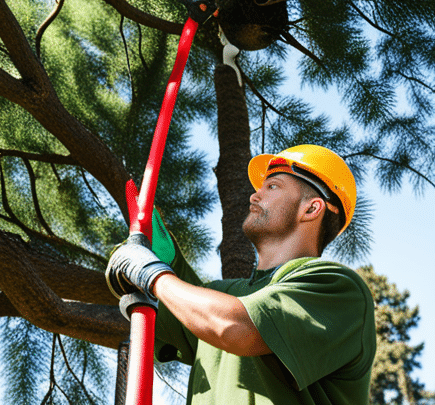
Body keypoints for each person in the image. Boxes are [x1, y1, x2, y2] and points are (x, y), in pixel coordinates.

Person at [106, 144, 376, 404]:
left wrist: (152, 274)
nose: (255, 195)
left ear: (311, 208)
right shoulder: (225, 294)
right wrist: (163, 260)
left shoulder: (336, 289)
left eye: (272, 186)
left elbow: (235, 327)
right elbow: (191, 312)